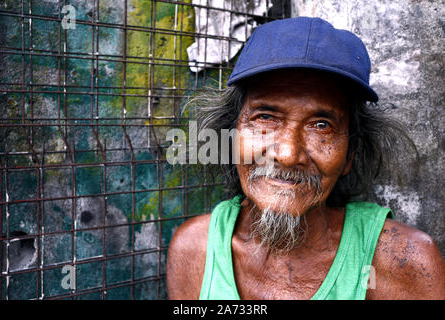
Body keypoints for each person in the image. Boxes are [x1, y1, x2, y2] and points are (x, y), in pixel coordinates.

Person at [166, 17, 445, 300]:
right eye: (265, 118)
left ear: (350, 154)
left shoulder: (402, 262)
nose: (287, 155)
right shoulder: (195, 250)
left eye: (321, 125)